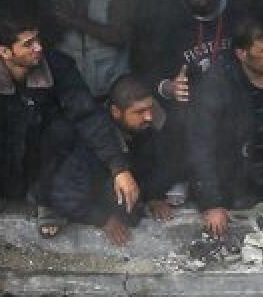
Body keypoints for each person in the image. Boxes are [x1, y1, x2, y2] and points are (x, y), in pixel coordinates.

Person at [0, 17, 138, 235]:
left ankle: (48, 202)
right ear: (5, 52)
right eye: (28, 44)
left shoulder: (58, 67)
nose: (38, 47)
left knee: (65, 131)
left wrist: (119, 168)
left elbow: (88, 116)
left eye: (37, 39)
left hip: (41, 159)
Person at [187, 13, 263, 239]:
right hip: (243, 192)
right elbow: (201, 145)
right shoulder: (218, 85)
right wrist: (212, 203)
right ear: (242, 54)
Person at [133, 0, 241, 202]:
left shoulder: (238, 18)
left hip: (231, 124)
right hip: (180, 128)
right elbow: (143, 70)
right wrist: (166, 87)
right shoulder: (166, 20)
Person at [62, 75, 178, 244]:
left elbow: (154, 166)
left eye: (149, 109)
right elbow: (62, 192)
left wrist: (154, 196)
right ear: (116, 112)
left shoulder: (149, 126)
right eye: (139, 112)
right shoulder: (86, 140)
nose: (148, 117)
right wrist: (102, 219)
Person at [45, 0, 136, 98]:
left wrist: (74, 20)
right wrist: (56, 21)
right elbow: (44, 35)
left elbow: (120, 35)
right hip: (69, 83)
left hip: (111, 79)